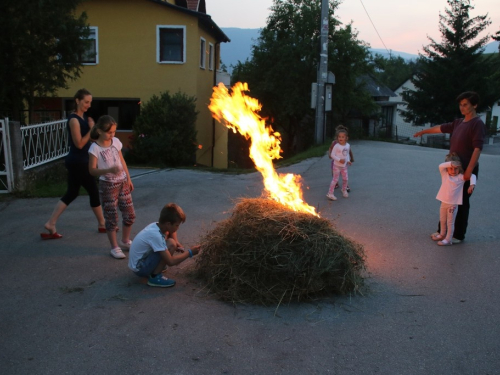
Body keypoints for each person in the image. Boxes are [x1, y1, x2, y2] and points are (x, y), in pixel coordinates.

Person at [414, 91, 486, 243]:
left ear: (475, 105)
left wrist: (469, 171)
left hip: (465, 170)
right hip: (451, 170)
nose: (462, 107)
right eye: (460, 105)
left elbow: (477, 149)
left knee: (461, 202)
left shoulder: (477, 124)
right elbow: (441, 128)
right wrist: (424, 131)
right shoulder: (459, 123)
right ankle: (443, 231)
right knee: (447, 200)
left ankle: (458, 235)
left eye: (465, 104)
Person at [41, 89, 105, 239]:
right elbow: (79, 143)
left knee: (72, 192)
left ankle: (51, 223)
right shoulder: (74, 120)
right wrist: (91, 129)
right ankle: (102, 224)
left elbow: (90, 140)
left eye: (90, 102)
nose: (89, 105)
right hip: (78, 162)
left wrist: (93, 131)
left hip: (80, 160)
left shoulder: (83, 118)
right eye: (86, 102)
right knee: (93, 191)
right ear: (77, 101)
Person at [89, 115, 135, 259]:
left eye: (114, 132)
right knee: (111, 218)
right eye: (109, 132)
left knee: (130, 214)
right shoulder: (95, 148)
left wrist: (128, 178)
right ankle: (114, 247)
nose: (112, 135)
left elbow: (122, 160)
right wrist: (108, 170)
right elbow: (92, 170)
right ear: (100, 131)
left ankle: (125, 241)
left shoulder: (116, 142)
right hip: (108, 186)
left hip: (122, 183)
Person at [128, 203, 201, 288]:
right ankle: (155, 277)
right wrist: (190, 252)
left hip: (137, 263)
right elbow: (171, 261)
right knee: (171, 244)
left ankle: (155, 268)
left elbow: (170, 232)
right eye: (177, 225)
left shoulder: (156, 225)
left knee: (172, 241)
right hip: (140, 268)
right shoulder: (156, 236)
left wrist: (177, 242)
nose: (178, 228)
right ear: (168, 224)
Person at [433, 153, 476, 246]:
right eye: (451, 168)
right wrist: (451, 164)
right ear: (448, 167)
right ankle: (442, 234)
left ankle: (448, 239)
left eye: (456, 168)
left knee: (450, 222)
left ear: (459, 168)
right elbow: (440, 166)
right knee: (443, 220)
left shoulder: (461, 178)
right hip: (444, 202)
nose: (453, 170)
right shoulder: (445, 175)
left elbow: (472, 176)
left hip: (453, 205)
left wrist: (472, 184)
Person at [326, 125, 352, 201]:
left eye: (342, 137)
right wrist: (339, 159)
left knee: (345, 179)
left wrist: (348, 160)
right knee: (335, 180)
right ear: (337, 138)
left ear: (346, 138)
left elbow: (346, 155)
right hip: (336, 166)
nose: (341, 138)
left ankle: (344, 190)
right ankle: (330, 193)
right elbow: (332, 155)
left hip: (344, 166)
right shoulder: (336, 146)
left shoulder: (348, 145)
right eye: (339, 137)